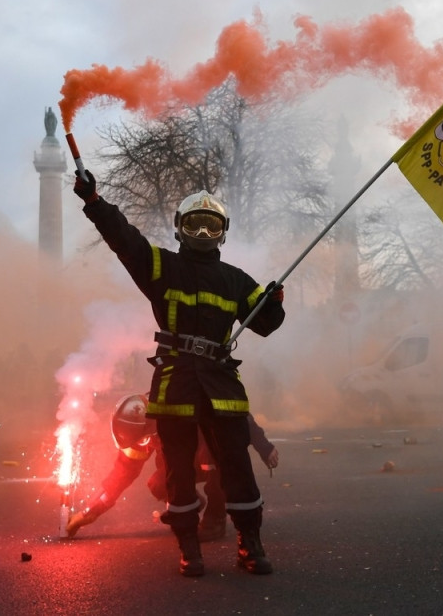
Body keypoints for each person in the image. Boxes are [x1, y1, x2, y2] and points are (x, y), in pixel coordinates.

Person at [74, 172, 285, 577]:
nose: (203, 231)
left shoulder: (238, 280)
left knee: (237, 466)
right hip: (176, 380)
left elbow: (265, 324)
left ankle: (250, 545)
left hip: (221, 382)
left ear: (223, 233)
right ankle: (190, 549)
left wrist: (273, 301)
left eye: (212, 224)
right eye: (194, 223)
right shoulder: (160, 267)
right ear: (179, 227)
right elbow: (124, 238)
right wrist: (95, 202)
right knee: (177, 470)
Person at [65, 393, 279, 542]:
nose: (144, 446)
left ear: (151, 425)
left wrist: (264, 447)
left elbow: (239, 417)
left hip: (211, 454)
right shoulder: (143, 425)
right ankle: (191, 505)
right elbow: (122, 474)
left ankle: (216, 519)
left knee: (211, 455)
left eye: (143, 440)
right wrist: (90, 512)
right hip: (182, 462)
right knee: (158, 483)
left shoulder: (181, 402)